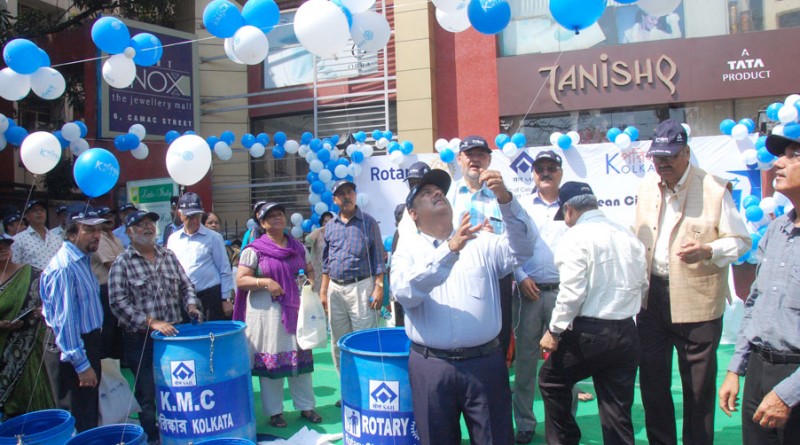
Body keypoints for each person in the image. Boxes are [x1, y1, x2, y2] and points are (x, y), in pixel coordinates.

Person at [391, 168, 534, 445]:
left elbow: (523, 249)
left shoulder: (481, 243)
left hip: (485, 364)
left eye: (440, 191)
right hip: (431, 366)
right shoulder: (406, 251)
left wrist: (505, 199)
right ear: (413, 214)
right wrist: (449, 251)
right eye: (425, 193)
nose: (436, 194)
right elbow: (405, 293)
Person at [634, 119, 751, 445]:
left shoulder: (714, 189)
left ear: (686, 152)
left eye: (670, 156)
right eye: (657, 157)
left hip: (698, 301)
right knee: (653, 384)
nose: (663, 163)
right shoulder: (646, 187)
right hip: (652, 299)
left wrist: (709, 250)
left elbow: (742, 241)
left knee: (698, 391)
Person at [538, 182, 648, 445]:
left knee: (551, 380)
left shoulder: (575, 237)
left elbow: (572, 292)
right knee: (616, 408)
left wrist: (554, 330)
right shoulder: (627, 235)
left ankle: (564, 441)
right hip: (625, 330)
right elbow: (643, 284)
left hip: (589, 332)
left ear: (568, 210)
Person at [718, 131, 800, 444]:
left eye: (794, 154)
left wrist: (788, 395)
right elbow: (755, 303)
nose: (779, 162)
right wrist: (736, 368)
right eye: (781, 154)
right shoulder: (776, 230)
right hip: (759, 371)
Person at [109, 210, 202, 445]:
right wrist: (152, 323)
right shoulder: (122, 263)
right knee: (147, 393)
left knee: (180, 388)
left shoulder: (168, 256)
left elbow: (186, 285)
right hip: (142, 340)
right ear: (129, 232)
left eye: (150, 223)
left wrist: (191, 305)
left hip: (174, 337)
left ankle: (181, 432)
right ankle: (152, 437)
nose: (147, 228)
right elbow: (118, 303)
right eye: (140, 225)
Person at [512, 150, 580, 444]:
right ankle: (525, 422)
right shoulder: (522, 206)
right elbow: (508, 246)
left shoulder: (574, 206)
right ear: (533, 174)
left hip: (563, 293)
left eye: (551, 167)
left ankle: (564, 422)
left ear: (561, 173)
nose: (545, 173)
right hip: (528, 292)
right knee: (526, 363)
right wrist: (521, 276)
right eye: (540, 168)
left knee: (566, 361)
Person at [235, 202, 322, 428]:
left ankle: (306, 407)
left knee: (301, 358)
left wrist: (310, 284)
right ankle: (275, 412)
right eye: (270, 216)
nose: (277, 219)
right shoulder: (253, 250)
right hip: (267, 315)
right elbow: (241, 280)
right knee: (271, 363)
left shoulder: (298, 247)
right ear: (262, 224)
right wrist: (265, 282)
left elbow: (310, 269)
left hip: (296, 310)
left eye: (280, 215)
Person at [39, 210, 108, 432]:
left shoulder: (82, 260)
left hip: (86, 343)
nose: (96, 235)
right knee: (77, 417)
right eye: (88, 230)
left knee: (89, 413)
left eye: (98, 230)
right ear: (71, 234)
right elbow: (65, 323)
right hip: (70, 349)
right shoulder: (64, 267)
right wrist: (81, 365)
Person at [447, 135, 514, 358]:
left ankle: (498, 383)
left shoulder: (502, 196)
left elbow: (517, 239)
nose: (475, 160)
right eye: (469, 155)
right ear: (459, 159)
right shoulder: (448, 195)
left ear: (489, 161)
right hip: (456, 275)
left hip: (497, 277)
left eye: (481, 155)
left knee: (500, 338)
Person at [321, 180, 385, 380]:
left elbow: (379, 257)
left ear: (355, 195)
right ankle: (348, 390)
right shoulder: (330, 226)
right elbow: (325, 262)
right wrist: (323, 292)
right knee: (338, 342)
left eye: (349, 192)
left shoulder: (369, 222)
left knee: (363, 339)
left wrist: (379, 286)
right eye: (341, 194)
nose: (346, 196)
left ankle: (368, 388)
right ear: (334, 200)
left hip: (361, 286)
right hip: (335, 289)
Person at [0, 235, 53, 418]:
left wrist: (42, 311)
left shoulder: (33, 274)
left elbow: (52, 301)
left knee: (36, 395)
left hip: (30, 345)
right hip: (3, 348)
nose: (2, 248)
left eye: (6, 244)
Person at [168, 193, 234, 321]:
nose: (195, 221)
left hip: (210, 297)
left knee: (213, 336)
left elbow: (224, 269)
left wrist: (225, 298)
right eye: (190, 217)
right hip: (184, 298)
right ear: (180, 215)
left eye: (198, 216)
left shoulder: (213, 237)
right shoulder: (173, 239)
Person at [90, 207, 125, 359]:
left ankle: (117, 362)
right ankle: (106, 364)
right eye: (104, 217)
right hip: (104, 289)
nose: (108, 219)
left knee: (118, 328)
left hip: (118, 287)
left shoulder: (115, 237)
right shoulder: (99, 239)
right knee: (108, 328)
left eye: (110, 215)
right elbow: (111, 264)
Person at [13, 200, 62, 270]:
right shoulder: (18, 240)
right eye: (34, 210)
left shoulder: (57, 238)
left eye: (42, 210)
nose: (39, 213)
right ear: (26, 216)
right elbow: (15, 266)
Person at [305, 211, 333, 295]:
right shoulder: (318, 233)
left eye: (330, 221)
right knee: (317, 291)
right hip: (317, 268)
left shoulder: (335, 234)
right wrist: (322, 228)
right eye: (325, 221)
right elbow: (308, 240)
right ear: (322, 222)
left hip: (330, 268)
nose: (328, 223)